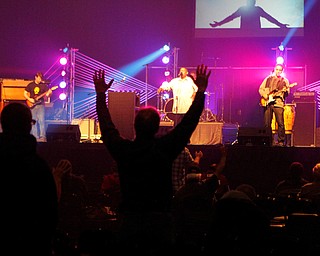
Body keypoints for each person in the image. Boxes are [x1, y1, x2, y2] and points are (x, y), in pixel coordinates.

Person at [93, 64, 211, 255]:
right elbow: (188, 123)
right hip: (160, 221)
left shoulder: (125, 151)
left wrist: (100, 95)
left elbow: (107, 128)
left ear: (135, 126)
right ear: (158, 128)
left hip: (130, 220)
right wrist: (201, 91)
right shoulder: (163, 149)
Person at [0, 102, 58, 255]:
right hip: (32, 245)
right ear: (28, 126)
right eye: (31, 122)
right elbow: (50, 211)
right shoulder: (38, 166)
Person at [258, 64, 291, 146]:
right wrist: (266, 96)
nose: (278, 71)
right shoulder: (268, 79)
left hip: (278, 103)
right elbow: (260, 89)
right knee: (266, 123)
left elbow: (288, 93)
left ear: (282, 71)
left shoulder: (285, 81)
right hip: (268, 103)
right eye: (277, 69)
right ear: (274, 70)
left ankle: (280, 141)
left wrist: (285, 91)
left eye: (280, 70)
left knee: (280, 123)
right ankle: (268, 141)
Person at [209, 0, 289, 30]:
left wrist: (280, 25)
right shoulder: (245, 9)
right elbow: (231, 17)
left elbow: (269, 18)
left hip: (254, 34)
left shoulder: (255, 9)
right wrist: (219, 24)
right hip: (246, 34)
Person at [24, 72, 53, 142]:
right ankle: (35, 136)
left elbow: (48, 95)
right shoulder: (30, 85)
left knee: (41, 121)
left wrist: (49, 93)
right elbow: (24, 93)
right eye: (39, 78)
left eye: (41, 78)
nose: (40, 79)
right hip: (32, 105)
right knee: (33, 121)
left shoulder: (44, 86)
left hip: (40, 105)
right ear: (36, 77)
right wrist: (29, 99)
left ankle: (42, 137)